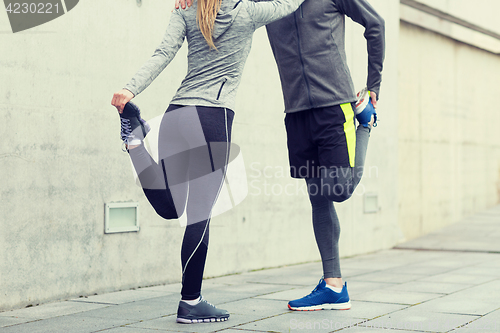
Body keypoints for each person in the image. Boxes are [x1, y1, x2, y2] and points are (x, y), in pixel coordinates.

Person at [176, 0, 385, 311]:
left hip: (335, 105)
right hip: (297, 111)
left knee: (339, 189)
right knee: (319, 197)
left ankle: (366, 123)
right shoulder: (266, 4)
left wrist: (373, 86)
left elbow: (376, 25)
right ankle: (333, 286)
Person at [111, 0, 307, 324]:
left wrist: (129, 89)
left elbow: (162, 53)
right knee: (198, 216)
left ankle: (135, 141)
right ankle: (190, 302)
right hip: (213, 119)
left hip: (177, 115)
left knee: (171, 207)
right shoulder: (248, 12)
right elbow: (289, 3)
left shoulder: (186, 9)